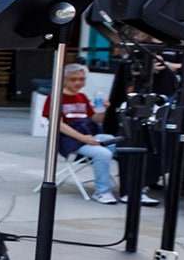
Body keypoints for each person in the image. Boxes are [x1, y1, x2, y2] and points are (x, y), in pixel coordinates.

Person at [50, 63, 153, 206]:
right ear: (64, 79)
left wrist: (105, 110)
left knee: (120, 142)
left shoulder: (82, 97)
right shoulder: (55, 98)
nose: (78, 82)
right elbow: (57, 125)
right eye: (73, 79)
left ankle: (131, 188)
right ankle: (102, 191)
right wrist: (84, 138)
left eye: (81, 79)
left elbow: (95, 119)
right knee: (102, 153)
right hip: (69, 140)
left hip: (88, 136)